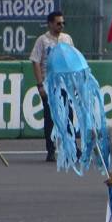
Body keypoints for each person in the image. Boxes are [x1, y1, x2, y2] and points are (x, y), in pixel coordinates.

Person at [29, 10, 74, 162]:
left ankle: (70, 148)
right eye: (58, 23)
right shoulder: (42, 40)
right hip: (49, 84)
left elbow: (72, 59)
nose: (61, 25)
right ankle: (51, 149)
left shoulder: (67, 39)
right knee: (50, 118)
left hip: (65, 84)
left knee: (68, 117)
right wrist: (40, 84)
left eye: (63, 23)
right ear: (50, 24)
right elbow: (35, 61)